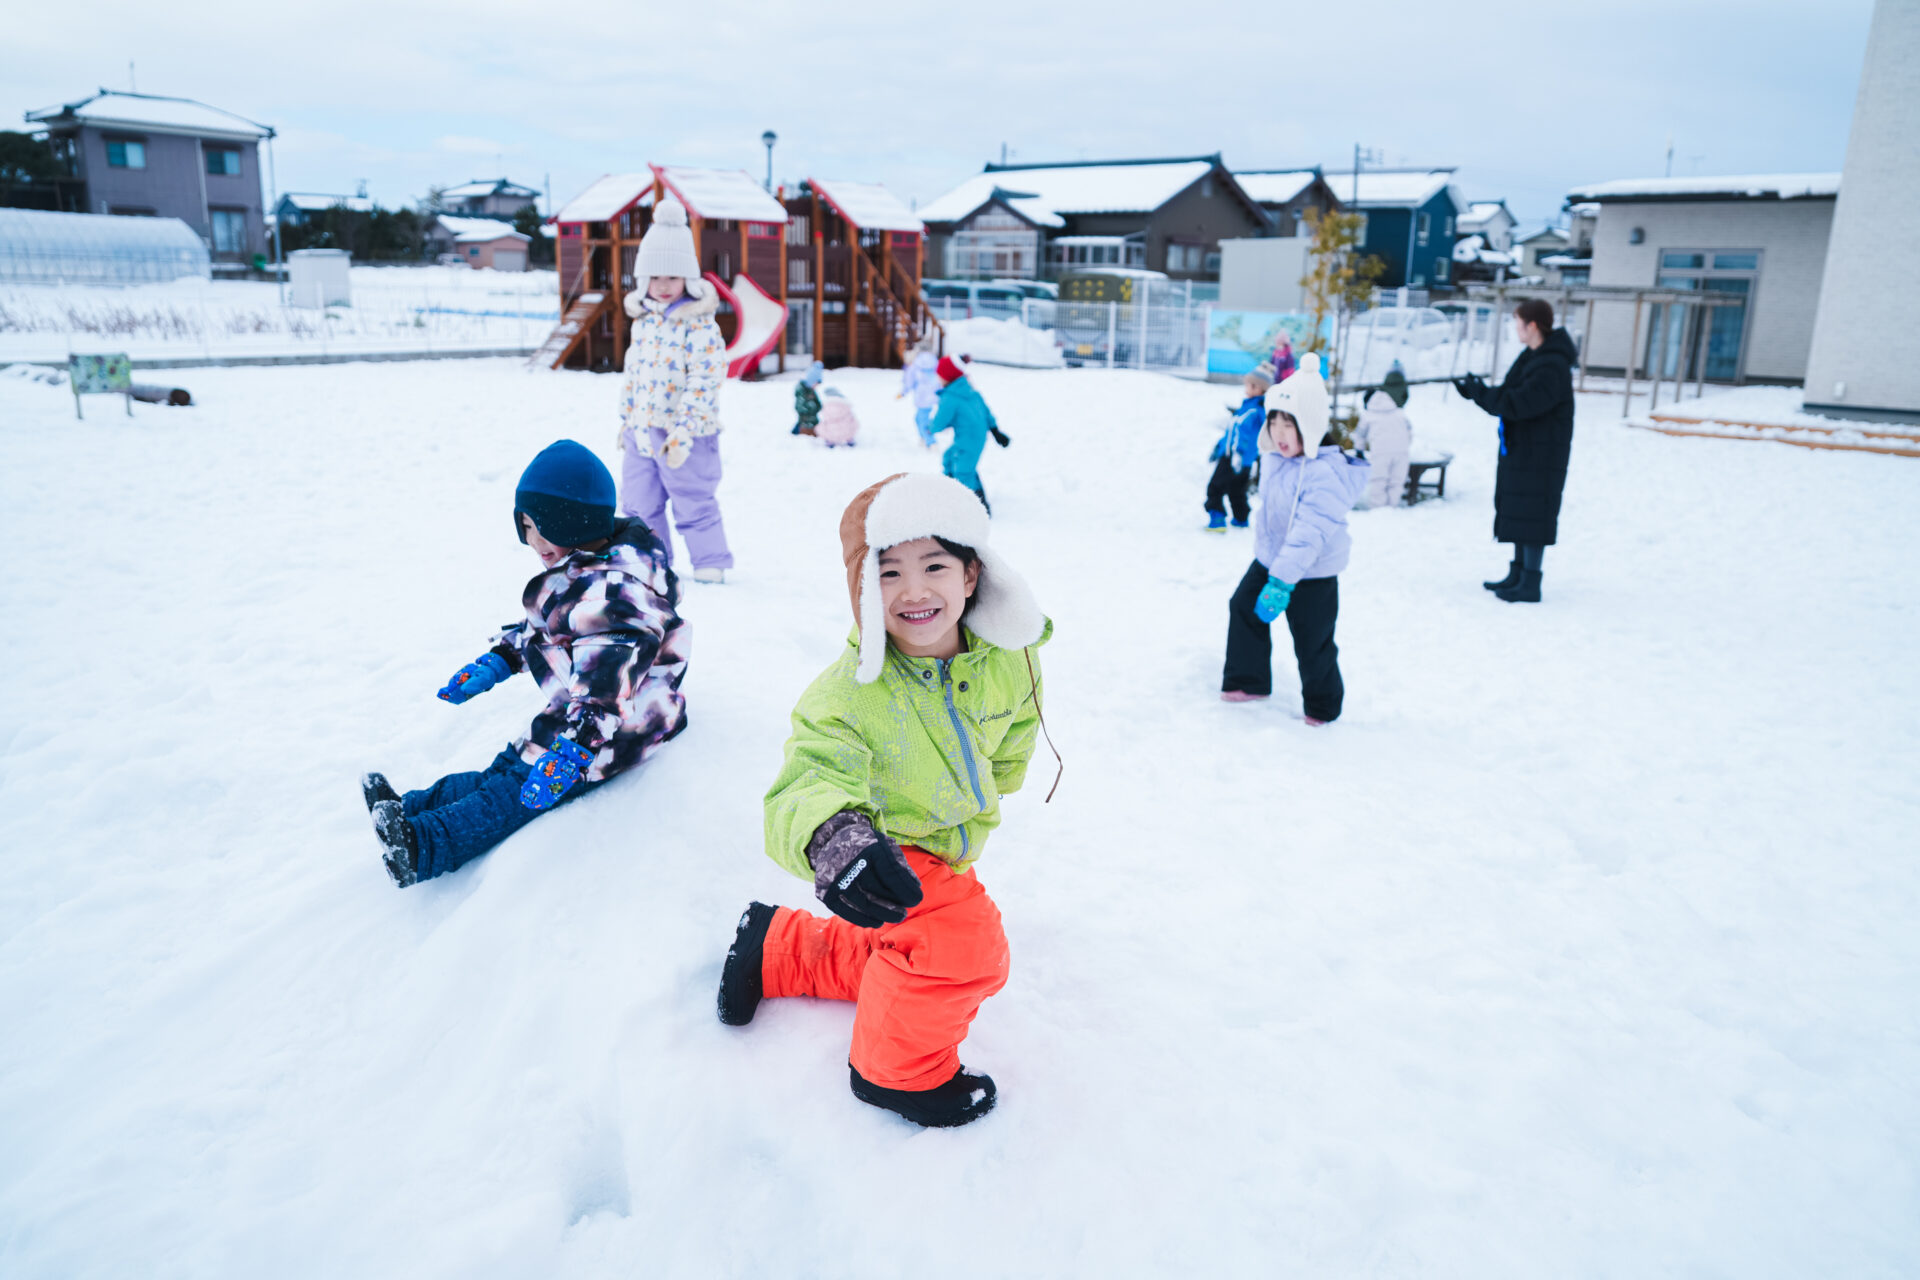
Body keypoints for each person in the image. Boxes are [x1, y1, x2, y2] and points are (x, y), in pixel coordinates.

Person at [716, 471, 1053, 1128]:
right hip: (880, 844)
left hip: (948, 837)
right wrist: (838, 840)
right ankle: (896, 1073)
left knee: (914, 938)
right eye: (890, 573)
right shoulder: (849, 695)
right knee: (966, 946)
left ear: (971, 575)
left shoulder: (1007, 655)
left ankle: (776, 947)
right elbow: (806, 779)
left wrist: (997, 786)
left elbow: (1017, 724)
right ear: (865, 590)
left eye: (934, 565)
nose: (916, 590)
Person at [364, 441, 690, 886]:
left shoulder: (617, 595)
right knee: (506, 768)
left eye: (540, 528)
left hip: (620, 725)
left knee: (514, 792)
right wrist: (500, 659)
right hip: (579, 708)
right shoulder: (584, 565)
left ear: (574, 521)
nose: (533, 542)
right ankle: (411, 808)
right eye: (525, 527)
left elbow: (607, 686)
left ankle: (423, 847)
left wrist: (576, 748)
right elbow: (549, 626)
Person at [1221, 353, 1370, 724]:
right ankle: (1249, 680)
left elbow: (1309, 533)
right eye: (1274, 423)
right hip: (1272, 560)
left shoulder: (1324, 474)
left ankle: (1323, 707)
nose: (1280, 434)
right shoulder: (1277, 459)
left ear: (1313, 425)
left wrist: (1282, 581)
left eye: (1290, 424)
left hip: (1313, 572)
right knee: (1243, 607)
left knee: (1312, 641)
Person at [616, 198, 732, 584]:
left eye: (672, 276)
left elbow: (706, 379)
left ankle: (709, 564)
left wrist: (686, 427)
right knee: (638, 503)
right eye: (655, 277)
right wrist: (626, 421)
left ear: (688, 278)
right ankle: (652, 566)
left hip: (686, 434)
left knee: (693, 499)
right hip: (641, 430)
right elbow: (632, 373)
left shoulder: (699, 325)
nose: (663, 285)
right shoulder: (643, 322)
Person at [1453, 298, 1578, 603]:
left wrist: (1481, 395)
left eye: (1518, 322)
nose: (1515, 328)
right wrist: (1476, 392)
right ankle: (1519, 573)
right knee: (1522, 510)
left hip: (1542, 454)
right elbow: (1510, 393)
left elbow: (1519, 404)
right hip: (1525, 449)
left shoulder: (1552, 365)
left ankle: (1530, 583)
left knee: (1534, 512)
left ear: (1532, 325)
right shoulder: (1533, 357)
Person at [929, 354, 1011, 513]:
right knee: (949, 458)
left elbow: (940, 421)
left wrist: (930, 428)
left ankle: (979, 507)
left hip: (969, 439)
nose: (937, 377)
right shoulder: (970, 391)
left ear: (947, 376)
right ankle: (950, 490)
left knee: (964, 471)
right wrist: (995, 431)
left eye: (939, 374)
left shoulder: (950, 397)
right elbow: (985, 411)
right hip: (975, 437)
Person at [1205, 361, 1274, 531]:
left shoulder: (1257, 411)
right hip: (1235, 457)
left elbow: (1247, 436)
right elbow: (1231, 432)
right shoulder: (1245, 408)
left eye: (1251, 385)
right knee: (1236, 490)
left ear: (1260, 389)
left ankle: (1217, 518)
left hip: (1236, 458)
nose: (1246, 388)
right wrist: (1218, 447)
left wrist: (1238, 453)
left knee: (1215, 487)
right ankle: (1241, 518)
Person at [1356, 388, 1412, 509]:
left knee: (1378, 480)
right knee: (1397, 481)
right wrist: (1406, 444)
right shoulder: (1399, 412)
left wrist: (1359, 450)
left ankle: (1378, 509)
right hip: (1401, 451)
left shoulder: (1368, 415)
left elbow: (1360, 434)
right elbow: (1409, 431)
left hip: (1380, 451)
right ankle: (1392, 507)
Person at [897, 342, 941, 447]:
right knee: (918, 418)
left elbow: (909, 380)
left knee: (922, 420)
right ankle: (923, 437)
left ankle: (931, 441)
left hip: (921, 397)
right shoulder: (935, 362)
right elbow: (940, 378)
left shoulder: (916, 364)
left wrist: (903, 392)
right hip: (933, 395)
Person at [793, 361, 824, 437]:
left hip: (813, 420)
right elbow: (799, 407)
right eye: (816, 383)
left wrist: (818, 406)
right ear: (811, 380)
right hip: (805, 421)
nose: (816, 385)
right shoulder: (802, 391)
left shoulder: (811, 390)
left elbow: (817, 402)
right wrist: (811, 407)